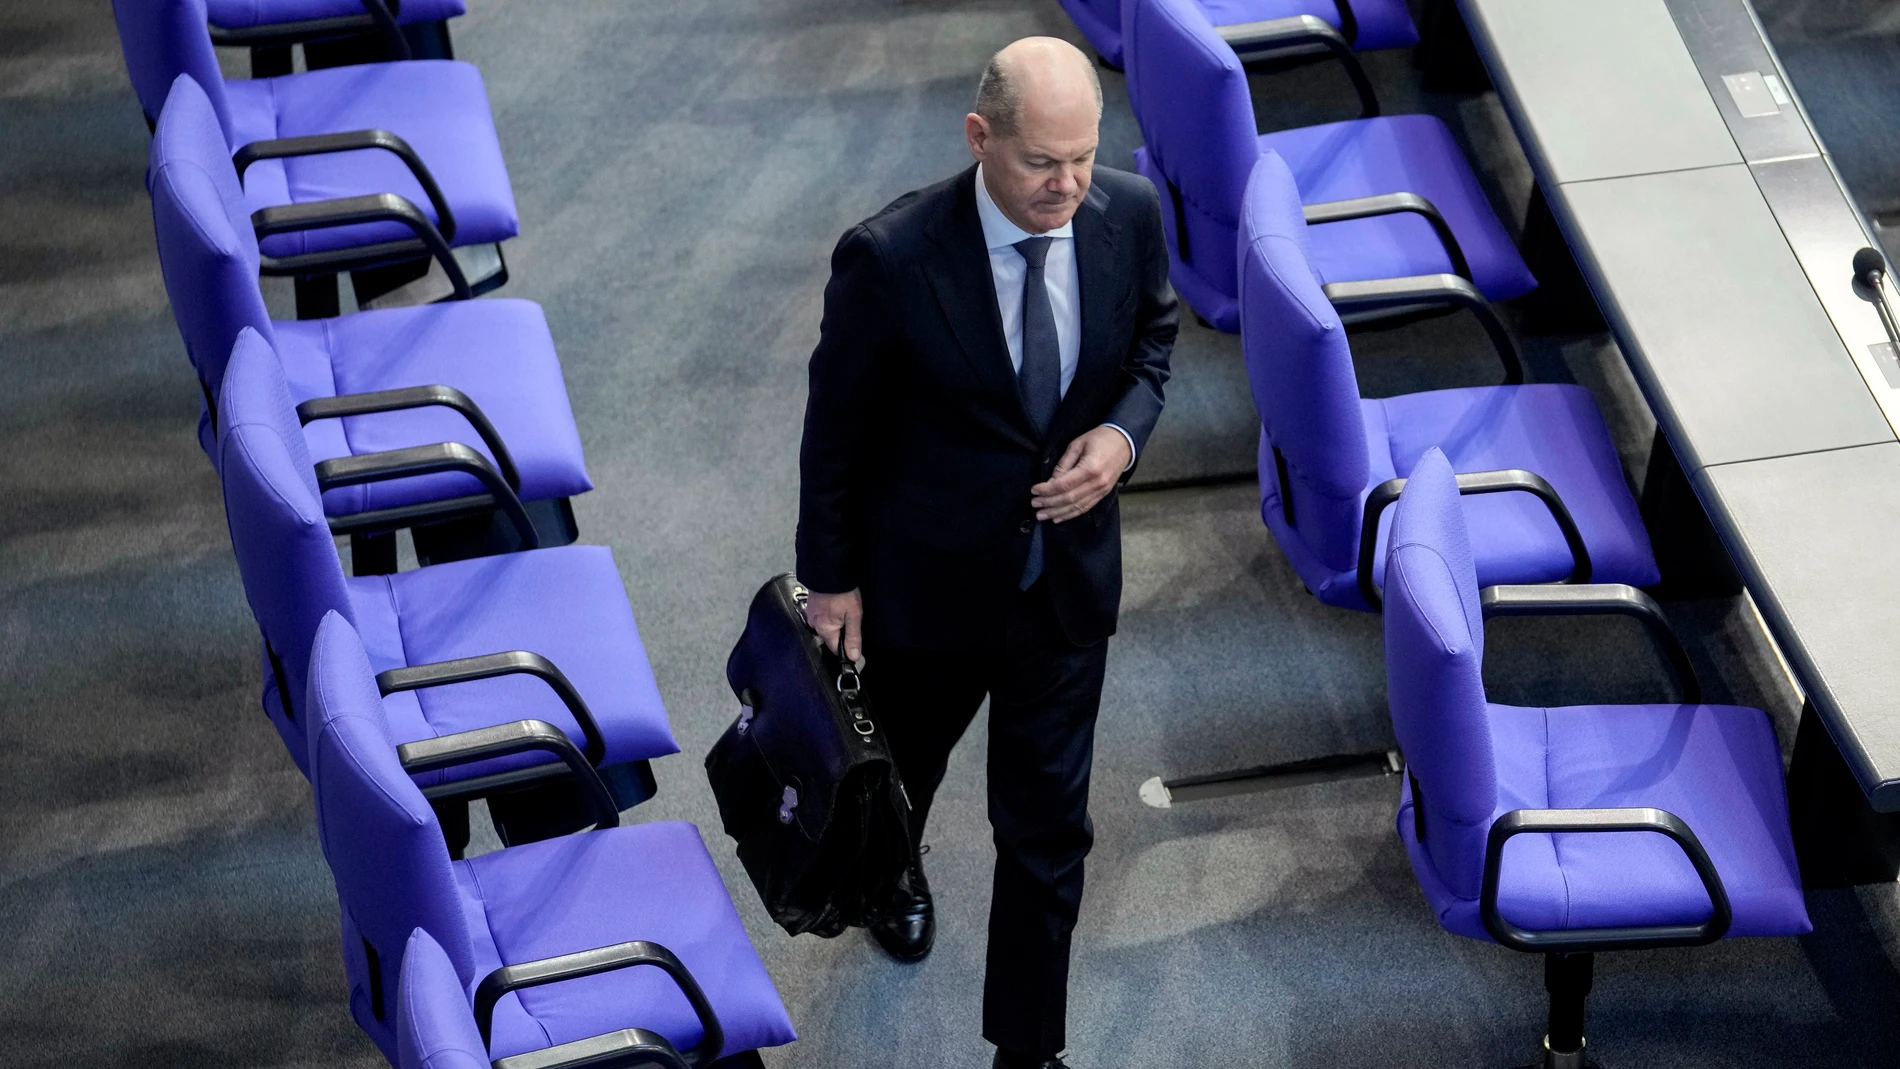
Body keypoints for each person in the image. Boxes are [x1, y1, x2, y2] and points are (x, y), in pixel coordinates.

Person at [796, 36, 1176, 1069]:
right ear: (980, 138)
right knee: (902, 776)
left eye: (1083, 158)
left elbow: (1152, 339)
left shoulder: (1128, 213)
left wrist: (1122, 437)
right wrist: (829, 576)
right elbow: (835, 433)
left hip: (1061, 590)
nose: (1066, 185)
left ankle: (1028, 1049)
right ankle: (891, 875)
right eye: (1041, 162)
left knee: (1048, 834)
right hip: (926, 589)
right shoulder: (889, 258)